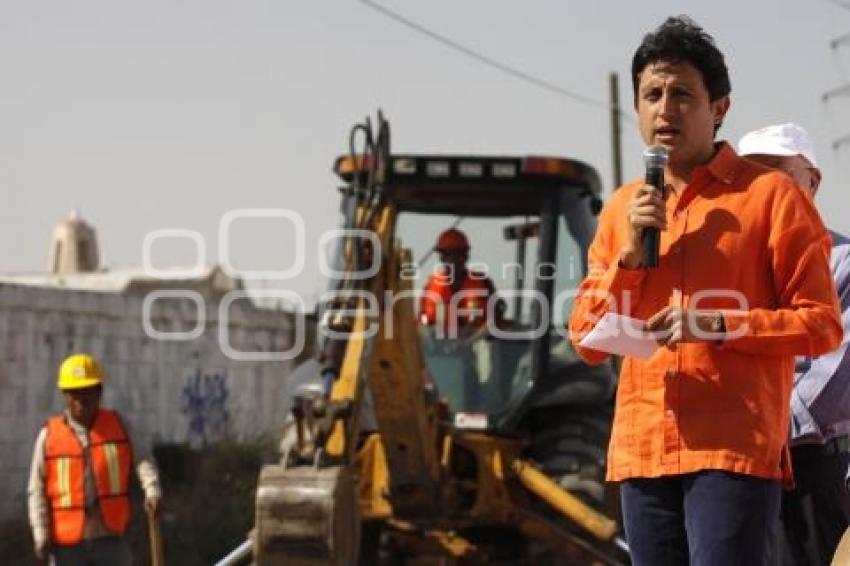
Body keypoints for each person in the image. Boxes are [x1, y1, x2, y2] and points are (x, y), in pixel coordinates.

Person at [568, 16, 842, 566]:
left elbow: (821, 323)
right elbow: (586, 339)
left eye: (681, 94)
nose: (664, 109)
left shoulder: (770, 199)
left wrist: (716, 324)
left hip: (731, 449)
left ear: (719, 109)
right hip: (642, 452)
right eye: (651, 94)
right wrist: (628, 256)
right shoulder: (624, 207)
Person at [738, 123, 850, 565]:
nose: (764, 189)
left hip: (811, 466)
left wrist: (746, 424)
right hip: (739, 465)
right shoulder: (731, 272)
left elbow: (833, 377)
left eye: (776, 173)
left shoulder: (842, 263)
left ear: (812, 181)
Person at [28, 353, 162, 565]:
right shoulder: (48, 436)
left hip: (111, 539)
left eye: (87, 392)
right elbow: (37, 490)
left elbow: (143, 459)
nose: (82, 400)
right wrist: (40, 534)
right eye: (75, 393)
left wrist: (152, 490)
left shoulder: (120, 426)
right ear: (65, 396)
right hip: (66, 546)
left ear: (98, 393)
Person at [419, 228, 501, 336]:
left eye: (457, 254)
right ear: (441, 257)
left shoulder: (484, 284)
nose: (452, 259)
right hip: (437, 348)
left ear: (466, 256)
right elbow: (422, 320)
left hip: (477, 346)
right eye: (447, 254)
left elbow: (495, 320)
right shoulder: (429, 288)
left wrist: (470, 341)